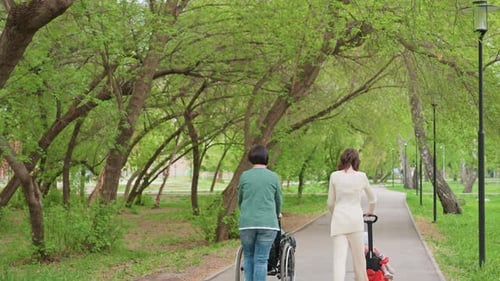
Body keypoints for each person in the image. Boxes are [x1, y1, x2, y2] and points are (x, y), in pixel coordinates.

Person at [327, 148, 377, 281]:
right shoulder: (361, 176)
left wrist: (335, 214)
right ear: (356, 161)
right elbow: (373, 199)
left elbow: (330, 203)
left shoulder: (334, 176)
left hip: (339, 222)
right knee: (359, 261)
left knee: (339, 261)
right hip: (355, 222)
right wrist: (370, 212)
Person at [238, 144, 282, 281]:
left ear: (251, 158)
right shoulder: (273, 177)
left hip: (247, 223)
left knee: (249, 257)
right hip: (268, 224)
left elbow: (240, 200)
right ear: (266, 159)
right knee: (261, 260)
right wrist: (277, 213)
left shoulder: (244, 176)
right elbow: (278, 200)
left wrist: (247, 211)